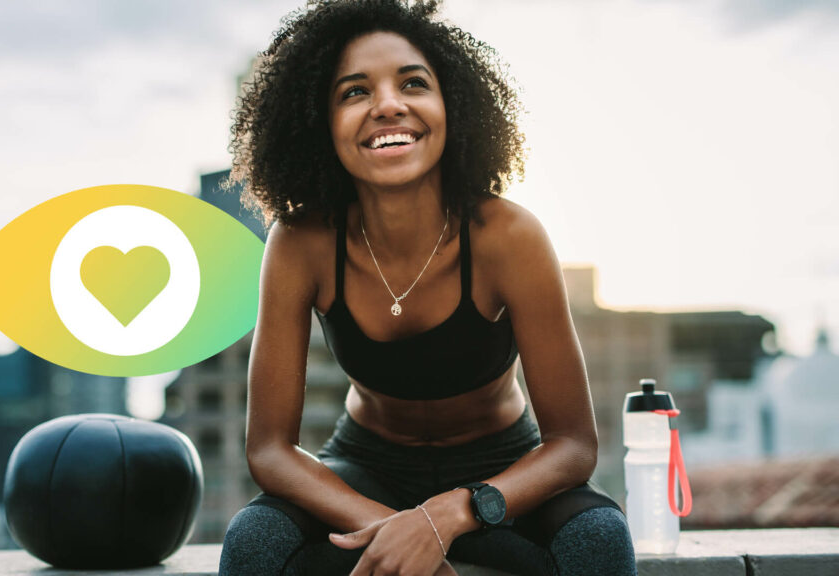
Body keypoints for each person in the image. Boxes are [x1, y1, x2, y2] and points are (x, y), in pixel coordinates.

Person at [219, 1, 637, 574]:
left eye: (413, 83)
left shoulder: (509, 236)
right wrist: (393, 530)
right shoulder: (300, 242)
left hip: (500, 469)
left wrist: (450, 515)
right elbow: (269, 449)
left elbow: (573, 447)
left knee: (599, 538)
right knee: (255, 541)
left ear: (452, 107)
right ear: (320, 123)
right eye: (353, 92)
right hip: (365, 465)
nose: (388, 105)